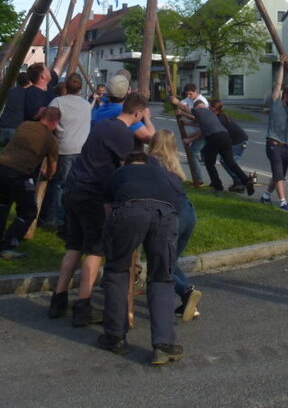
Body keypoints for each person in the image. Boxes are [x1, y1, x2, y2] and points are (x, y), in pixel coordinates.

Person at [48, 92, 149, 327]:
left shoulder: (104, 125)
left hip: (74, 188)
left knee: (74, 246)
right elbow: (127, 169)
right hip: (92, 194)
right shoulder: (123, 135)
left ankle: (58, 299)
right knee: (95, 250)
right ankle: (83, 306)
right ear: (138, 113)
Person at [96, 150, 184, 366]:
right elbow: (178, 202)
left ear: (126, 163)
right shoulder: (161, 173)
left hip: (129, 211)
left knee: (117, 272)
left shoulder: (120, 173)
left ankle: (115, 337)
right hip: (166, 215)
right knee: (162, 278)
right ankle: (163, 345)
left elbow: (108, 207)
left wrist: (114, 238)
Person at [0, 107, 60, 259]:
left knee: (4, 199)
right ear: (55, 122)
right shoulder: (51, 140)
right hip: (17, 173)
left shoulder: (25, 125)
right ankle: (6, 247)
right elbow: (52, 167)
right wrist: (48, 176)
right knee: (29, 211)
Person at [149, 129, 202, 321]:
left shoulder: (151, 163)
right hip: (189, 213)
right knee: (172, 261)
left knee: (161, 264)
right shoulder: (174, 166)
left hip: (173, 218)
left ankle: (186, 291)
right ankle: (191, 303)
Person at [42, 72, 92, 229]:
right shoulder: (86, 105)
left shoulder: (57, 102)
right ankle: (69, 218)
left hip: (63, 147)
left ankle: (54, 218)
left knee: (58, 185)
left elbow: (48, 122)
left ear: (66, 86)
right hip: (80, 148)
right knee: (73, 186)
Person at [177, 98, 254, 195]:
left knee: (209, 162)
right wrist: (186, 123)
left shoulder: (200, 111)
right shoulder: (211, 115)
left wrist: (177, 104)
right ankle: (246, 181)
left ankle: (217, 186)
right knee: (230, 162)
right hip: (226, 137)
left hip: (216, 138)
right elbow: (199, 124)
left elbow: (187, 110)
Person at [262, 59, 288, 209]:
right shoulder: (276, 102)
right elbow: (278, 84)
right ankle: (283, 201)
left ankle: (265, 195)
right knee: (278, 173)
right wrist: (282, 66)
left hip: (285, 146)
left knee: (280, 174)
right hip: (273, 144)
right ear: (285, 96)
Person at [0, 73, 30, 149]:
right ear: (28, 82)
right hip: (16, 125)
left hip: (3, 124)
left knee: (3, 149)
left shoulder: (11, 91)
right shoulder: (27, 93)